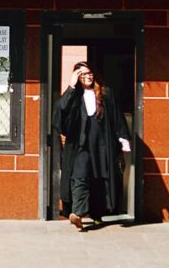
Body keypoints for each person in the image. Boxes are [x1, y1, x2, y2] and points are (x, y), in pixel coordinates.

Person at [53, 61, 131, 230]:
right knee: (79, 176)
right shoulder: (74, 94)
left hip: (102, 144)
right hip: (80, 145)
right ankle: (78, 213)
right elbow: (61, 109)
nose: (87, 77)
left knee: (100, 178)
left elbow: (116, 118)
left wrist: (123, 139)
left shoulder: (105, 93)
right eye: (82, 74)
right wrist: (71, 85)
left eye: (89, 73)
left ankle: (96, 215)